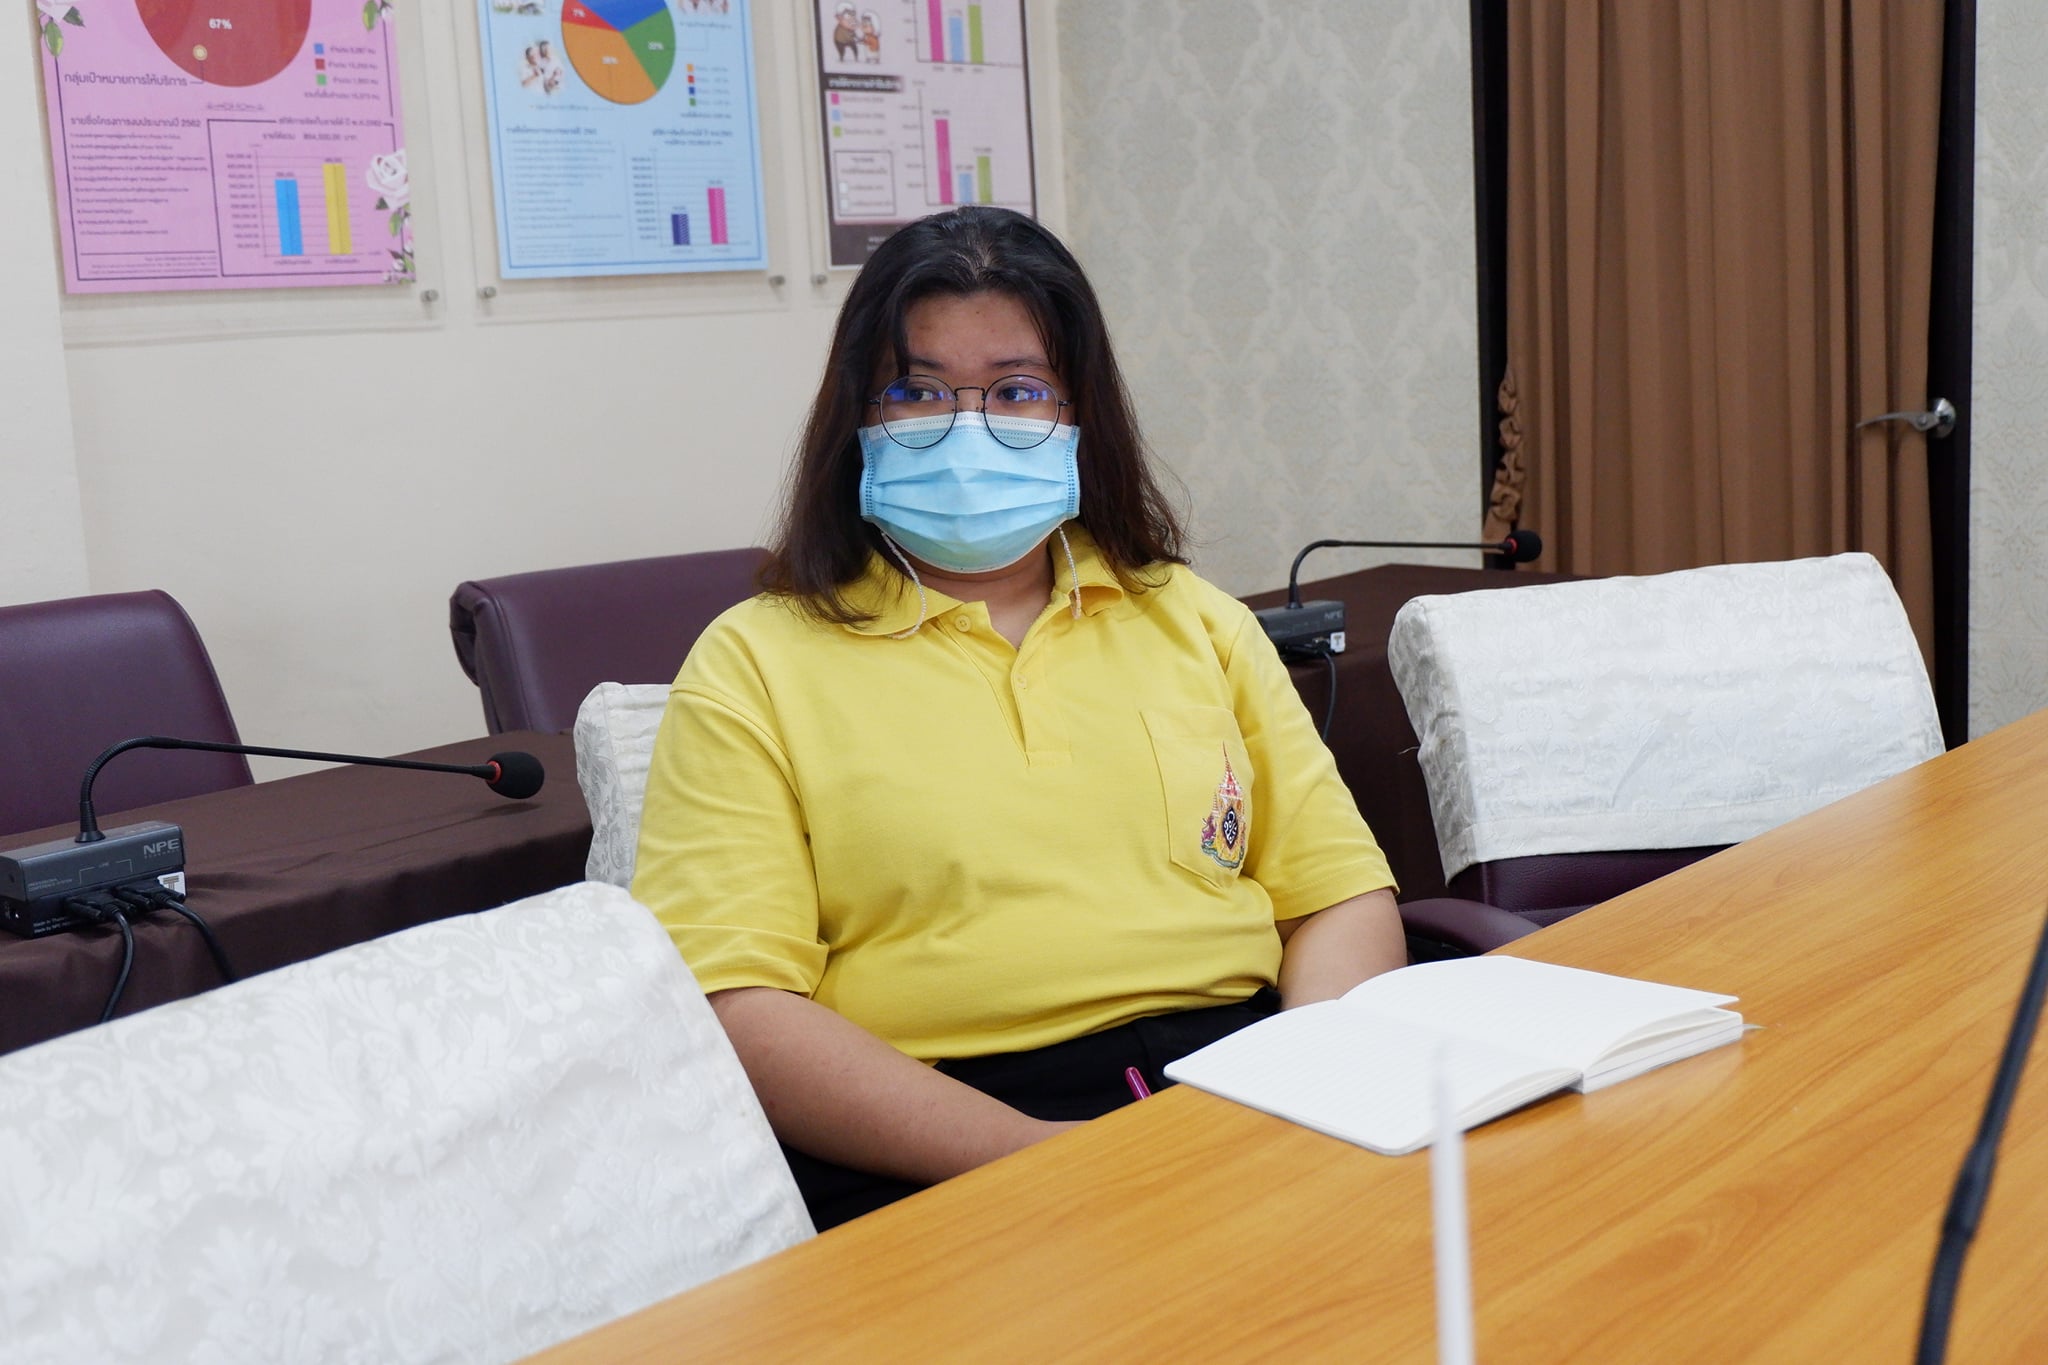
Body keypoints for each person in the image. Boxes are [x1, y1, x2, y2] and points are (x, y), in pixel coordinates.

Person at [631, 206, 1405, 1230]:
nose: (967, 428)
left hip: (1241, 1088)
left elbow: (1337, 894)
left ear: (1079, 415)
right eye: (918, 392)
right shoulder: (752, 662)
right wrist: (1049, 1163)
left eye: (1016, 389)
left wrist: (1310, 1088)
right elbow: (735, 1005)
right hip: (941, 1138)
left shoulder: (1194, 618)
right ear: (857, 418)